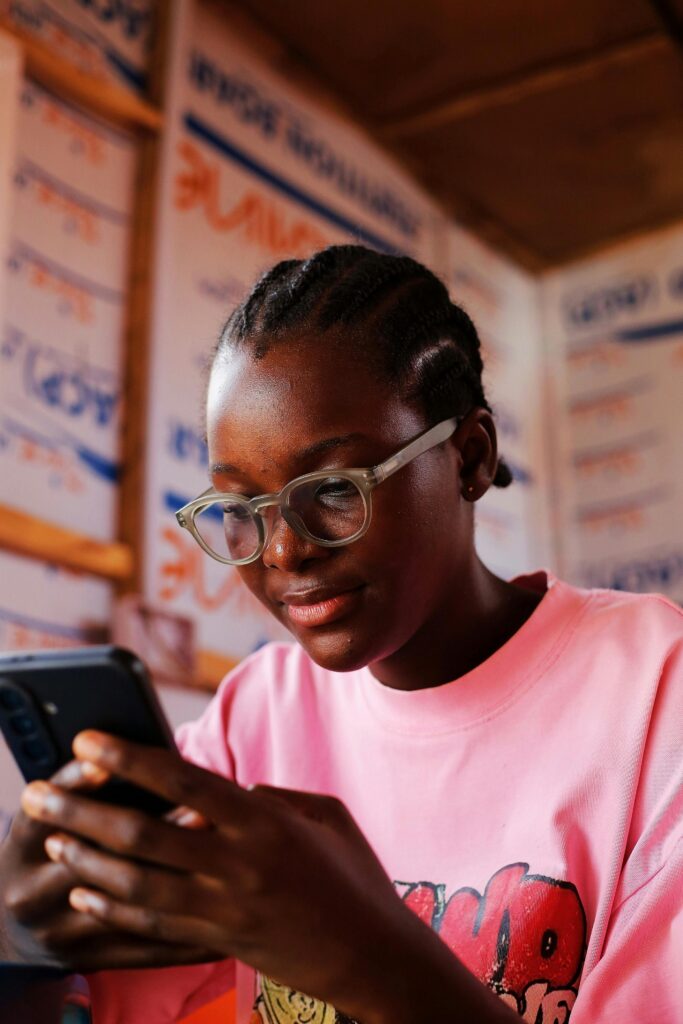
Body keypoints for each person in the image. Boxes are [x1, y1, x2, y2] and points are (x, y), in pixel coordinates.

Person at [1, 245, 681, 1024]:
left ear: (469, 456)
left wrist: (367, 960)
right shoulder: (256, 714)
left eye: (331, 490)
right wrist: (27, 947)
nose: (284, 549)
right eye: (242, 509)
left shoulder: (654, 692)